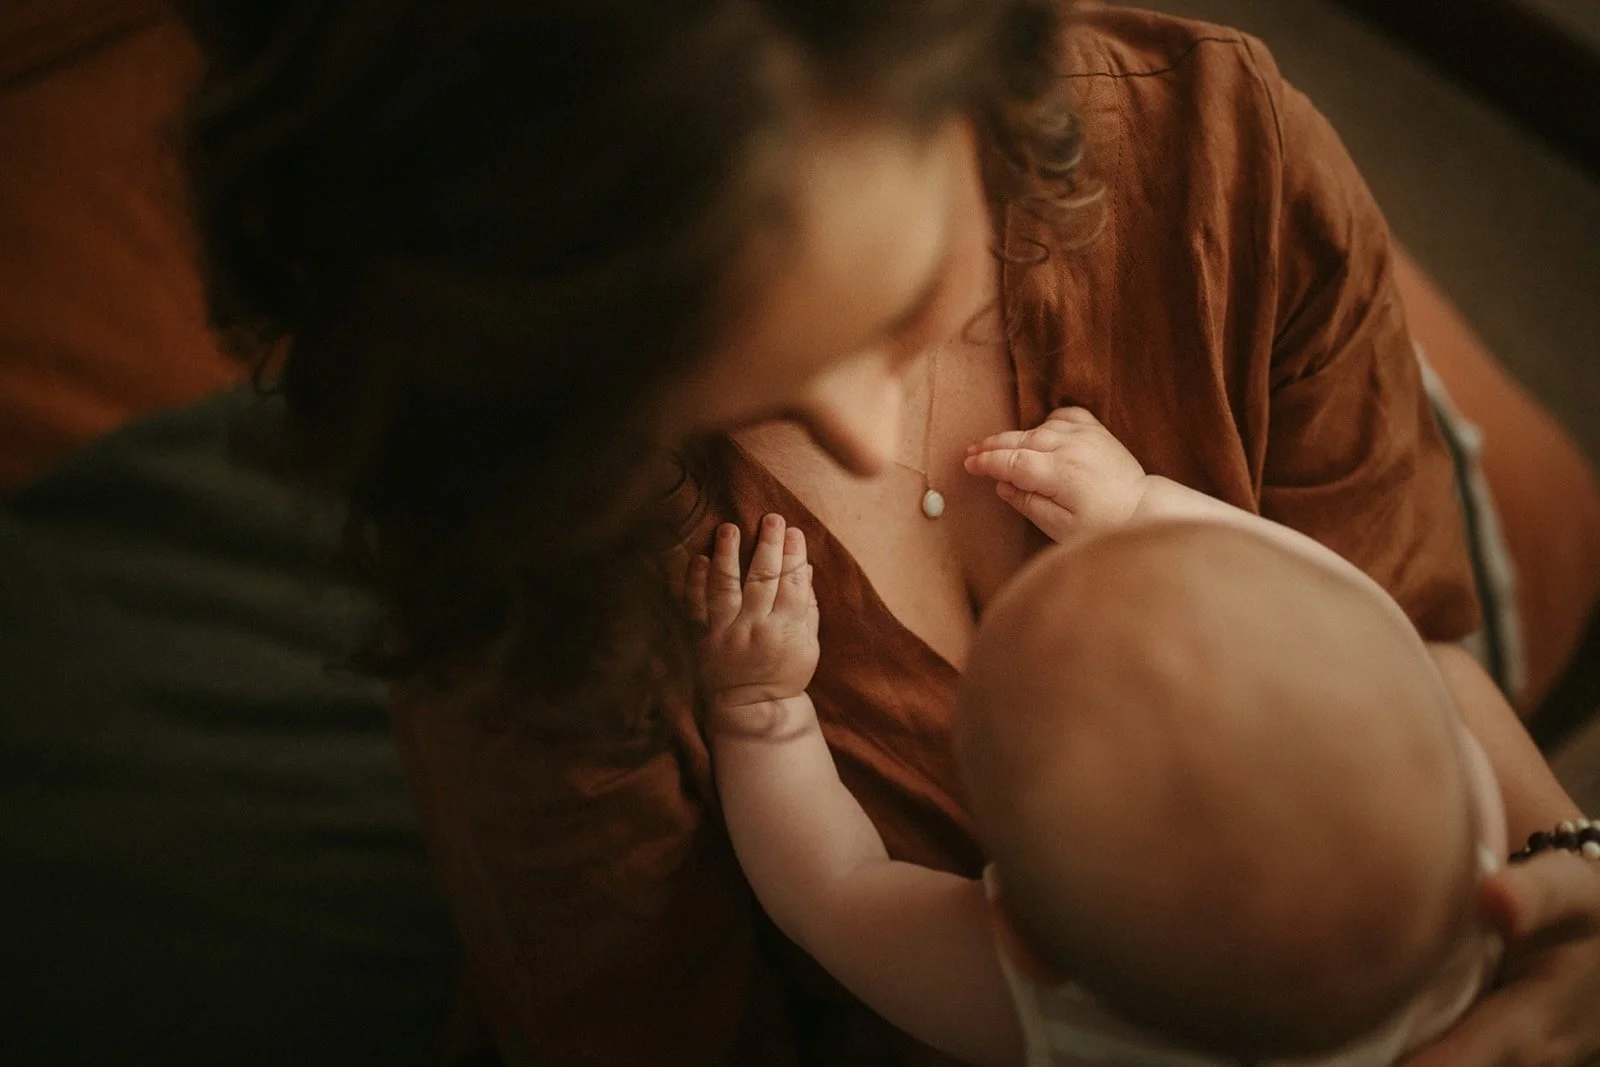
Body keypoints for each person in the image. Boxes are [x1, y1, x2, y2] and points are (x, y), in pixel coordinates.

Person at [176, 1, 1600, 1062]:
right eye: (737, 391)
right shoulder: (525, 561)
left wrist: (1580, 898)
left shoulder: (1225, 150)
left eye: (904, 301)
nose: (863, 440)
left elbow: (1404, 639)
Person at [693, 406, 1561, 1066]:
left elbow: (832, 889)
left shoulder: (1050, 1008)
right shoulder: (1472, 865)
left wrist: (760, 711)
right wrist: (1145, 507)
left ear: (1018, 935)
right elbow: (1372, 620)